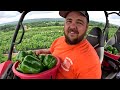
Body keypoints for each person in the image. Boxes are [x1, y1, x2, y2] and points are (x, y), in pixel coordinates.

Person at [35, 11, 102, 79]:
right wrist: (44, 51)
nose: (72, 26)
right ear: (64, 24)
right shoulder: (59, 40)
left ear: (86, 27)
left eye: (79, 22)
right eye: (69, 21)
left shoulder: (91, 63)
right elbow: (53, 50)